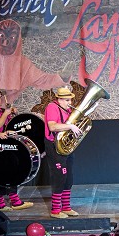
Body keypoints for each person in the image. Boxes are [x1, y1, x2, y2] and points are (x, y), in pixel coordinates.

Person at [0, 86, 33, 211]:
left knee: (12, 171)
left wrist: (10, 115)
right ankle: (0, 203)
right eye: (0, 97)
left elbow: (6, 125)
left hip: (6, 147)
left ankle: (14, 200)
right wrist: (5, 113)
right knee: (0, 174)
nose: (2, 99)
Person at [43, 86, 82, 219]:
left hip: (65, 146)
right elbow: (52, 126)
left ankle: (66, 207)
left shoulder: (67, 109)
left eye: (70, 100)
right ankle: (55, 210)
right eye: (67, 100)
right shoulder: (52, 107)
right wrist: (70, 126)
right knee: (59, 176)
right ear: (59, 99)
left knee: (68, 177)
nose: (70, 103)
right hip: (54, 146)